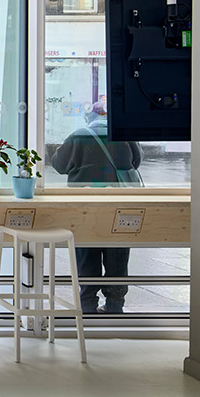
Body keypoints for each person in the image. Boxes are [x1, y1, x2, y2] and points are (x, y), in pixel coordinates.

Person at [49, 98, 142, 314]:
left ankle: (87, 306)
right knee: (118, 253)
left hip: (85, 206)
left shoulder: (79, 136)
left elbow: (59, 165)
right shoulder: (124, 135)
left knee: (86, 253)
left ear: (90, 116)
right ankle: (115, 305)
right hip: (119, 204)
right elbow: (136, 162)